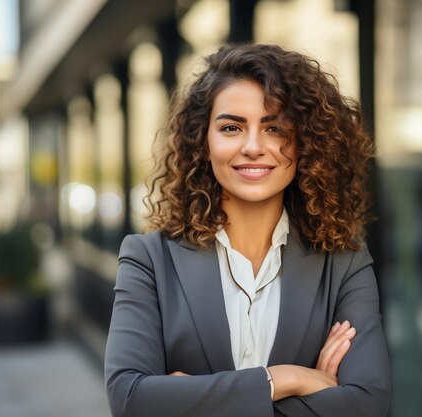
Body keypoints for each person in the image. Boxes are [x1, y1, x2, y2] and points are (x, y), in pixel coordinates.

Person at [104, 43, 390, 417]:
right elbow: (130, 399)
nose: (253, 147)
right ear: (203, 142)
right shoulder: (148, 259)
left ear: (306, 142)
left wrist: (189, 399)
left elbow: (367, 405)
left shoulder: (344, 263)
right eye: (231, 127)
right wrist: (283, 380)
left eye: (275, 127)